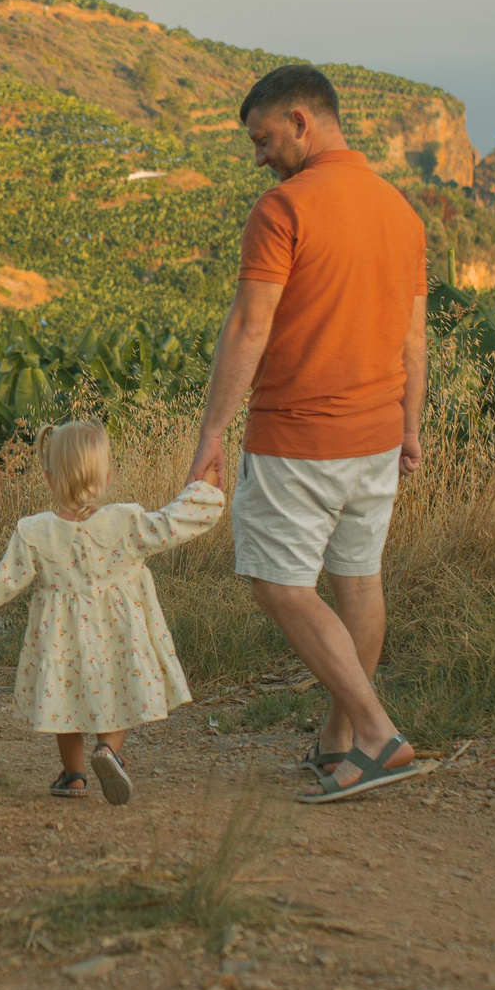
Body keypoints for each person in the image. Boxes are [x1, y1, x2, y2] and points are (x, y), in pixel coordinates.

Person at [186, 64, 430, 803]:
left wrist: (212, 433)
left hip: (298, 438)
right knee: (358, 581)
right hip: (378, 434)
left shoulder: (282, 209)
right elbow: (416, 339)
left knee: (279, 584)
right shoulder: (401, 210)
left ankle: (378, 731)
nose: (258, 156)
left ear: (300, 120)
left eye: (262, 138)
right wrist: (411, 425)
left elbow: (249, 326)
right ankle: (339, 743)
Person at [0, 420, 224, 804]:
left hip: (61, 638)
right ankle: (108, 751)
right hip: (120, 631)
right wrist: (204, 492)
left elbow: (2, 582)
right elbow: (170, 524)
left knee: (64, 699)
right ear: (108, 475)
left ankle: (75, 776)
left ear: (49, 478)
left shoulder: (34, 531)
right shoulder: (125, 521)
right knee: (120, 685)